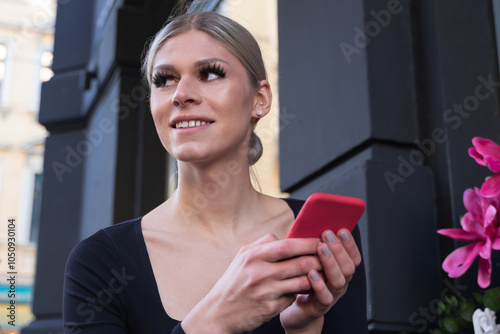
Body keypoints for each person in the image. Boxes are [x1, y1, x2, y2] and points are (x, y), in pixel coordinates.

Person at [63, 11, 368, 334]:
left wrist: (303, 325)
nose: (181, 94)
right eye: (164, 80)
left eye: (209, 74)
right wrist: (217, 318)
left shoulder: (320, 239)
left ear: (259, 100)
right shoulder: (100, 262)